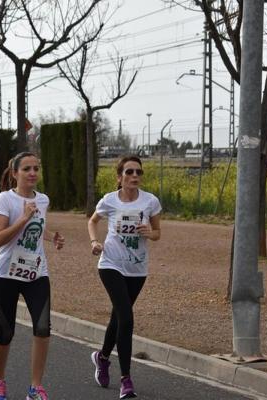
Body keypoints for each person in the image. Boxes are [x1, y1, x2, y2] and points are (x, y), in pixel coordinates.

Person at [0, 152, 65, 400]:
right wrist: (23, 217)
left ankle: (35, 387)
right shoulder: (5, 199)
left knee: (43, 328)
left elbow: (35, 228)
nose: (33, 173)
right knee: (5, 332)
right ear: (15, 173)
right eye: (27, 169)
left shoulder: (43, 200)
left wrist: (50, 235)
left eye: (36, 168)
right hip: (6, 275)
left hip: (36, 273)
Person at [87, 155, 161, 399]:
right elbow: (93, 221)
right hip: (110, 263)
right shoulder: (109, 200)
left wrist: (150, 233)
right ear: (119, 177)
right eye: (129, 172)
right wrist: (95, 241)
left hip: (137, 268)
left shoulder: (150, 202)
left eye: (138, 172)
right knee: (127, 319)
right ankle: (126, 380)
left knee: (117, 318)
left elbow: (158, 233)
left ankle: (102, 357)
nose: (135, 176)